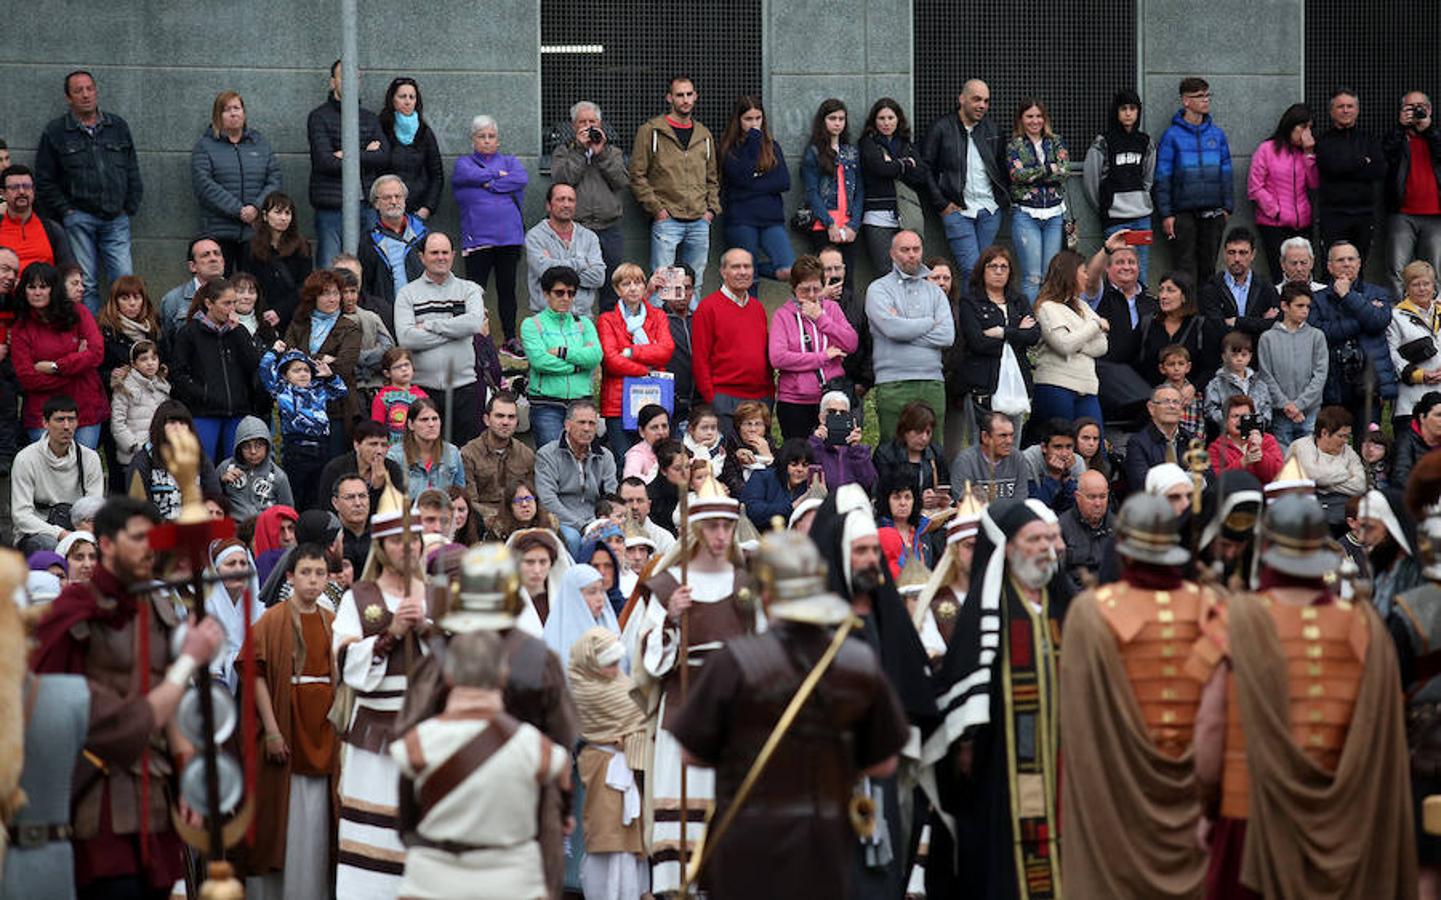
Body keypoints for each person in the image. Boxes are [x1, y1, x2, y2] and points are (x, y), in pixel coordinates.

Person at [1192, 494, 1416, 898]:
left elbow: (1209, 733)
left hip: (1250, 819)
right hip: (1343, 824)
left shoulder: (1235, 620)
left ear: (1266, 548)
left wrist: (1208, 807)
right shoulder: (1364, 628)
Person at [671, 528, 908, 900]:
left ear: (766, 594)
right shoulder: (859, 662)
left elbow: (691, 755)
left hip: (747, 848)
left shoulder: (732, 662)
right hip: (826, 847)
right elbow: (884, 764)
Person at [29, 494, 225, 900]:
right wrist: (188, 663)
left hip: (155, 800)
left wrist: (187, 771)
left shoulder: (156, 607)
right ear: (107, 545)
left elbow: (165, 701)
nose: (148, 548)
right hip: (93, 802)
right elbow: (112, 724)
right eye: (138, 538)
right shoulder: (74, 611)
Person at [391, 542, 579, 898]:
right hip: (526, 824)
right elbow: (564, 740)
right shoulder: (542, 658)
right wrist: (562, 808)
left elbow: (408, 736)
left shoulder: (439, 658)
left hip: (444, 834)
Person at [1058, 493, 1213, 897]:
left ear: (1122, 547)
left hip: (1115, 801)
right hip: (1197, 805)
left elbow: (1077, 727)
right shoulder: (1212, 607)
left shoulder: (1091, 614)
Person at [924, 498, 1065, 898]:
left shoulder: (1061, 603)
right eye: (1032, 539)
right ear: (1008, 548)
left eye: (1046, 540)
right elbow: (964, 688)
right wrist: (967, 742)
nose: (1044, 548)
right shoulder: (990, 607)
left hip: (1060, 759)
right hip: (1001, 763)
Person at [632, 482, 754, 894]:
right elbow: (649, 659)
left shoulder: (746, 585)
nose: (721, 535)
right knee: (682, 812)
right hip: (684, 707)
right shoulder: (670, 584)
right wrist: (670, 616)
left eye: (727, 526)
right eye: (713, 526)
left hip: (734, 715)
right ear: (698, 529)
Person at [331, 493, 427, 897]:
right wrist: (392, 636)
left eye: (414, 540)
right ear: (382, 547)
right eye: (398, 541)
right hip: (374, 735)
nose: (408, 548)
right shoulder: (360, 598)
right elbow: (345, 660)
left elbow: (463, 663)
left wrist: (430, 629)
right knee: (372, 843)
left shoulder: (437, 594)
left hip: (427, 738)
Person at [240, 543, 336, 900]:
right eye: (306, 573)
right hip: (286, 719)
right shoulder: (273, 619)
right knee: (286, 811)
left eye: (320, 573)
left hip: (323, 729)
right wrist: (272, 729)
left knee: (319, 815)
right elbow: (255, 672)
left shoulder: (332, 622)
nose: (313, 581)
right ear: (291, 577)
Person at [34, 70, 142, 313]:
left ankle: (121, 337)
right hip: (79, 218)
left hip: (117, 217)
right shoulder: (56, 131)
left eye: (89, 88)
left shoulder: (117, 126)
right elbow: (44, 179)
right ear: (68, 97)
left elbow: (132, 169)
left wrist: (129, 206)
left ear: (96, 91)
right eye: (78, 90)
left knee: (124, 281)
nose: (85, 95)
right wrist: (66, 211)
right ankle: (92, 338)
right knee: (86, 284)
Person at [567, 626, 651, 900]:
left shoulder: (619, 683)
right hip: (603, 767)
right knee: (608, 839)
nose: (616, 670)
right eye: (609, 665)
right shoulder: (586, 687)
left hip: (622, 766)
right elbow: (638, 715)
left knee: (625, 838)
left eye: (617, 663)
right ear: (592, 664)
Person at [393, 231, 489, 448]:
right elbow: (407, 339)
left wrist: (429, 325)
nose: (441, 257)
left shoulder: (470, 289)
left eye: (445, 252)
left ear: (453, 255)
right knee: (425, 453)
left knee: (464, 456)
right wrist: (456, 330)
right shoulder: (407, 294)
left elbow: (474, 324)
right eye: (434, 252)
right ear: (422, 257)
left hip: (465, 390)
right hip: (424, 391)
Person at [629, 76, 720, 278]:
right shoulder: (651, 131)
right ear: (669, 98)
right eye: (680, 95)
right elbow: (637, 175)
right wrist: (658, 210)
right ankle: (660, 312)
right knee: (663, 282)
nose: (685, 100)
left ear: (696, 96)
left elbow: (712, 177)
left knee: (694, 280)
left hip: (699, 219)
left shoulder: (704, 135)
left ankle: (692, 312)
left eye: (689, 94)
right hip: (667, 218)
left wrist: (711, 210)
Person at [866, 230, 954, 440]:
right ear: (892, 254)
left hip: (932, 382)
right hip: (893, 384)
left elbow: (947, 336)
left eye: (916, 249)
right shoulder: (878, 290)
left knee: (933, 451)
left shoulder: (935, 292)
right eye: (905, 250)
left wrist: (904, 326)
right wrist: (929, 322)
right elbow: (892, 329)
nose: (911, 255)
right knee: (893, 451)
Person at [11, 262, 107, 448]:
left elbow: (96, 353)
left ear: (53, 289)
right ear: (24, 290)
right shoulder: (20, 329)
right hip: (43, 414)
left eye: (43, 286)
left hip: (84, 409)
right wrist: (77, 368)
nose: (37, 292)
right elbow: (28, 378)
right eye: (32, 287)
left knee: (83, 471)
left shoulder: (79, 312)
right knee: (47, 474)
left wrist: (55, 367)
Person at [169, 276, 264, 462]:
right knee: (205, 464)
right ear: (209, 303)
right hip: (205, 413)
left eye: (234, 303)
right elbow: (178, 373)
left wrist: (238, 332)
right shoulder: (189, 333)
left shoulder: (238, 331)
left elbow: (254, 365)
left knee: (236, 466)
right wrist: (203, 394)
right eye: (226, 303)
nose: (232, 309)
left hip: (237, 410)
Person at [923, 79, 1009, 284]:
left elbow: (1002, 168)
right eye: (977, 99)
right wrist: (941, 203)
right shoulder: (942, 128)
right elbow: (925, 168)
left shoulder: (993, 130)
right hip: (957, 210)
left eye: (986, 101)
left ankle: (982, 314)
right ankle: (973, 315)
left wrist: (1001, 203)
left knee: (986, 271)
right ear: (962, 99)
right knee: (971, 270)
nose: (982, 106)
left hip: (989, 210)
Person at [306, 60, 389, 268]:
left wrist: (347, 154)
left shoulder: (370, 119)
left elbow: (384, 156)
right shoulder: (319, 117)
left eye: (356, 77)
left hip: (367, 206)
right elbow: (326, 162)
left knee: (370, 265)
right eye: (344, 76)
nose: (351, 81)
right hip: (331, 207)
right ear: (332, 82)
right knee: (329, 267)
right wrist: (365, 152)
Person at [550, 100, 630, 312]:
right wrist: (579, 152)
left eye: (592, 122)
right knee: (573, 287)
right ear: (574, 126)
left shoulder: (612, 152)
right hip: (577, 230)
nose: (588, 126)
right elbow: (562, 180)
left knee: (611, 288)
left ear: (600, 124)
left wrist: (600, 153)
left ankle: (607, 337)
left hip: (609, 228)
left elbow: (621, 181)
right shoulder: (563, 151)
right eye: (582, 122)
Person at [769, 254, 858, 440]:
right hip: (795, 400)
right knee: (800, 457)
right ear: (793, 288)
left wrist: (821, 319)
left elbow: (851, 343)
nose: (810, 295)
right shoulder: (782, 316)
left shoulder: (831, 309)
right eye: (804, 290)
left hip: (831, 398)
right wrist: (823, 356)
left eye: (816, 289)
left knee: (835, 450)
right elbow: (778, 358)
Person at [1154, 76, 1234, 286]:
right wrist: (1166, 214)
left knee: (1209, 267)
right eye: (1199, 96)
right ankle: (1188, 315)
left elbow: (1226, 172)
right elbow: (1162, 177)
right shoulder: (1171, 136)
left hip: (1213, 211)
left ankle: (1207, 316)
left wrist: (1227, 207)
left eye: (1207, 95)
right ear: (1185, 101)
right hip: (1182, 213)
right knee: (1185, 268)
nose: (1205, 100)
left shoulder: (1217, 135)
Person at [190, 90, 282, 270]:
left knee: (251, 288)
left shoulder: (260, 143)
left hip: (254, 233)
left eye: (237, 108)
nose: (233, 113)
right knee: (219, 288)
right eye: (226, 110)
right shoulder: (205, 146)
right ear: (218, 115)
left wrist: (256, 207)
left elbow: (274, 179)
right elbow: (204, 186)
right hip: (219, 232)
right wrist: (239, 210)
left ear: (244, 113)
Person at [955, 244, 1040, 433]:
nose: (999, 272)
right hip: (984, 385)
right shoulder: (970, 302)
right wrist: (1018, 334)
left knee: (1011, 445)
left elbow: (1034, 335)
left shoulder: (1020, 300)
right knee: (982, 448)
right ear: (982, 270)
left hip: (1016, 383)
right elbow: (978, 342)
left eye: (1004, 267)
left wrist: (1002, 332)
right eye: (993, 266)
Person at [597, 262, 675, 460]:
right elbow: (612, 361)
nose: (633, 288)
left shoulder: (658, 316)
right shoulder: (607, 319)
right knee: (625, 463)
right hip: (618, 402)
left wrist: (631, 352)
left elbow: (665, 351)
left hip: (653, 398)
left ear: (644, 286)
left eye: (638, 282)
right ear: (617, 289)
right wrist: (646, 368)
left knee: (655, 461)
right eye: (626, 284)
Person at [691, 248, 773, 434]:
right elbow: (700, 359)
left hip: (760, 401)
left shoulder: (757, 308)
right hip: (724, 400)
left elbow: (764, 355)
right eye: (736, 267)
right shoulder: (707, 308)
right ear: (723, 272)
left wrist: (770, 395)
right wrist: (712, 398)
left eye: (747, 266)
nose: (743, 272)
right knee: (729, 460)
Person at [521, 264, 603, 449]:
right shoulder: (532, 324)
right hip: (546, 404)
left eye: (571, 293)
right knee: (552, 459)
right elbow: (540, 361)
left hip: (582, 402)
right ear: (546, 293)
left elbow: (595, 356)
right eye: (559, 293)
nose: (566, 298)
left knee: (584, 457)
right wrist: (578, 366)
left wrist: (562, 352)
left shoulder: (584, 324)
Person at [260, 344, 351, 508]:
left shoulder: (320, 389)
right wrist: (275, 351)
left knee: (317, 492)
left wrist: (330, 376)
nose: (302, 374)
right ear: (285, 375)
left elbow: (342, 391)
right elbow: (264, 367)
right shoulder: (282, 389)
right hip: (295, 447)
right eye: (296, 370)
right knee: (296, 492)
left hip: (321, 446)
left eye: (306, 370)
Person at [282, 268, 362, 450]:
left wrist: (304, 361)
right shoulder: (299, 323)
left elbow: (343, 367)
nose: (333, 299)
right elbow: (288, 359)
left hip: (336, 409)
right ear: (313, 297)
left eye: (335, 293)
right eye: (325, 294)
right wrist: (321, 358)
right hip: (299, 407)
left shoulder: (350, 328)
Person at [1312, 240, 1397, 413]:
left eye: (1351, 259)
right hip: (1332, 383)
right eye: (1340, 260)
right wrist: (1363, 319)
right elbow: (1320, 333)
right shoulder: (1316, 299)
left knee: (1368, 440)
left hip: (1370, 382)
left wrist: (1348, 296)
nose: (1346, 264)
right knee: (1331, 439)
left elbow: (1378, 322)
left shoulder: (1377, 293)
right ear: (1329, 266)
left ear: (1359, 263)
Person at [11, 395, 103, 554]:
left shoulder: (89, 458)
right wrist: (60, 534)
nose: (67, 426)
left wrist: (80, 534)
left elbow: (94, 509)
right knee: (50, 546)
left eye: (71, 419)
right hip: (38, 531)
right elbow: (21, 516)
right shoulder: (25, 459)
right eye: (60, 420)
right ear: (45, 423)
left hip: (79, 529)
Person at [1030, 247, 1111, 426]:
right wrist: (1095, 325)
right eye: (1083, 271)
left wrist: (1078, 344)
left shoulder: (1083, 306)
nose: (1087, 276)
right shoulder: (1046, 307)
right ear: (1070, 274)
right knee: (1060, 446)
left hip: (1088, 388)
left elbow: (1102, 345)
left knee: (1094, 449)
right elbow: (1064, 345)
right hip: (1056, 386)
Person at [719, 95, 794, 287]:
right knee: (747, 279)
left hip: (771, 219)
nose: (754, 124)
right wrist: (752, 143)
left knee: (789, 269)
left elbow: (783, 182)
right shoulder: (729, 148)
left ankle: (754, 270)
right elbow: (742, 176)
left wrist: (750, 185)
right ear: (738, 120)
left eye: (758, 118)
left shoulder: (772, 146)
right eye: (748, 119)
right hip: (741, 220)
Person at [1083, 89, 1156, 284]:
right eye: (1123, 108)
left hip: (1141, 217)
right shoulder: (1103, 141)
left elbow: (1149, 177)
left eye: (1133, 108)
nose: (1128, 113)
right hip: (1115, 220)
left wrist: (1142, 198)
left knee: (1140, 274)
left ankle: (1141, 314)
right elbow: (1091, 180)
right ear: (1116, 111)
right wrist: (1104, 206)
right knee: (1117, 274)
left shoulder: (1145, 142)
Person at [1006, 97, 1070, 302]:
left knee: (1050, 276)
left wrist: (1034, 174)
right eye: (1029, 116)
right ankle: (1032, 326)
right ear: (1021, 119)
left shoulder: (1056, 141)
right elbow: (1016, 175)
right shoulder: (1014, 145)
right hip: (1026, 214)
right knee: (1032, 277)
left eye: (1039, 116)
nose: (1035, 121)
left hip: (1054, 214)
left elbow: (1065, 171)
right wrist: (1048, 169)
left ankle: (1048, 325)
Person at [855, 97, 928, 274]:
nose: (886, 123)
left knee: (910, 268)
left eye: (890, 118)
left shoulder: (906, 144)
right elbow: (880, 169)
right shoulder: (868, 143)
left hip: (906, 212)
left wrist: (894, 165)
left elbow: (921, 174)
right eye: (881, 118)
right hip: (877, 214)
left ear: (898, 120)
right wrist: (904, 165)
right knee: (884, 270)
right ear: (874, 121)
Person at [1246, 104, 1319, 278]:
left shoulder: (1305, 153)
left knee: (1304, 273)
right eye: (1302, 127)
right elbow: (1255, 187)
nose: (1306, 133)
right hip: (1274, 224)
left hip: (1302, 223)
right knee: (1280, 272)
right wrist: (1275, 211)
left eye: (1310, 128)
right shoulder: (1267, 149)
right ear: (1290, 125)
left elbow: (1314, 183)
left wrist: (1309, 154)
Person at [534, 400, 616, 554]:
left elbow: (610, 495)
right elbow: (547, 499)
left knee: (613, 536)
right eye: (582, 422)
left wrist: (602, 521)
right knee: (572, 538)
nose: (587, 428)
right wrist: (581, 526)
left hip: (595, 518)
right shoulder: (547, 454)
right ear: (567, 425)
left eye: (592, 423)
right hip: (561, 519)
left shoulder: (605, 456)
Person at [1315, 88, 1385, 263]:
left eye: (1350, 106)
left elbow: (1379, 170)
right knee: (1331, 266)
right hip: (1333, 214)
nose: (1345, 110)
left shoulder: (1369, 138)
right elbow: (1331, 167)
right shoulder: (1323, 140)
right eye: (1340, 106)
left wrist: (1346, 165)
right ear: (1331, 112)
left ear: (1357, 110)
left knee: (1358, 266)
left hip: (1363, 213)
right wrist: (1362, 162)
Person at [124, 400, 224, 521]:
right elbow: (139, 506)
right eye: (171, 422)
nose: (178, 428)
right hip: (158, 530)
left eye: (182, 423)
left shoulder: (200, 458)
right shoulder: (142, 461)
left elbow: (214, 499)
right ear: (160, 425)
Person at [1258, 281, 1329, 449]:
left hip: (1310, 412)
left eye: (1307, 306)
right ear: (1284, 306)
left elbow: (1320, 375)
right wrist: (1286, 405)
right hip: (1280, 412)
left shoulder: (1316, 336)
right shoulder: (1268, 338)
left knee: (1309, 462)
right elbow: (1266, 375)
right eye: (1299, 306)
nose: (1305, 311)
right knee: (1284, 464)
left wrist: (1299, 405)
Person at [1384, 89, 1441, 296]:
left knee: (1434, 270)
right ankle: (1399, 317)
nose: (1417, 112)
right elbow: (1386, 156)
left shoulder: (1436, 135)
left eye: (1421, 107)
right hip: (1402, 213)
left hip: (1435, 215)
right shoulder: (1396, 136)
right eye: (1411, 108)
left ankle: (1436, 317)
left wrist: (1429, 130)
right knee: (1397, 269)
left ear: (1430, 110)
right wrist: (1401, 128)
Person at [800, 98, 863, 280]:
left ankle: (845, 310)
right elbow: (812, 192)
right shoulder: (814, 152)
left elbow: (859, 191)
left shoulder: (851, 151)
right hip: (824, 225)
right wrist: (829, 224)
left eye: (841, 119)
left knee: (847, 277)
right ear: (823, 121)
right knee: (824, 278)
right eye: (832, 118)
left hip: (849, 224)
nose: (837, 123)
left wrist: (854, 225)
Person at [356, 173, 427, 331]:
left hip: (424, 315)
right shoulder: (368, 242)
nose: (394, 202)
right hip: (387, 317)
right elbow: (366, 286)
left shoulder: (424, 235)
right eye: (387, 197)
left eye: (398, 196)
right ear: (376, 204)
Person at [1138, 271, 1225, 398]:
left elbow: (1212, 367)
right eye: (1161, 290)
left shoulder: (1201, 326)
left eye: (1170, 290)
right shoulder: (1148, 324)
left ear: (1184, 296)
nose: (1163, 296)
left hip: (1188, 402)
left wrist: (1193, 387)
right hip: (1153, 402)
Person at [460, 390, 536, 521]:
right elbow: (469, 501)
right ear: (487, 420)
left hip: (519, 517)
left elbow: (532, 496)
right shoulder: (468, 454)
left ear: (517, 422)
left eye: (511, 417)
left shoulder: (526, 454)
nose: (506, 422)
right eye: (500, 416)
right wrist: (499, 517)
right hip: (482, 521)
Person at [378, 76, 444, 220]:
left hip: (416, 211)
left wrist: (427, 208)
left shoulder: (424, 132)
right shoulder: (381, 128)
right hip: (385, 211)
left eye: (412, 97)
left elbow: (436, 175)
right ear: (392, 100)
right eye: (402, 96)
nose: (408, 101)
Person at [1387, 258, 1441, 431]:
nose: (1422, 288)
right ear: (1406, 288)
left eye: (1426, 283)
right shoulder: (1395, 316)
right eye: (1416, 284)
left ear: (1434, 286)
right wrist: (1418, 374)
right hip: (1410, 402)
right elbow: (1391, 354)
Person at [1199, 226, 1280, 338]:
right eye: (1231, 252)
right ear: (1224, 254)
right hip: (1223, 352)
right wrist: (1258, 322)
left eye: (1243, 253)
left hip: (1258, 352)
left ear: (1253, 255)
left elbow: (1275, 325)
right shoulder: (1212, 288)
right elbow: (1217, 328)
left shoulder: (1265, 287)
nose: (1237, 258)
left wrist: (1237, 322)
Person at [316, 418, 407, 514]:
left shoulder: (392, 469)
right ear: (356, 445)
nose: (379, 451)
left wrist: (379, 489)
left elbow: (395, 510)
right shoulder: (335, 469)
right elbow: (326, 508)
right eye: (373, 444)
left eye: (384, 445)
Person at [216, 414, 294, 522]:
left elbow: (288, 511)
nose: (253, 451)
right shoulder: (225, 468)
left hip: (265, 529)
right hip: (234, 530)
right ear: (238, 448)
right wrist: (220, 482)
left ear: (267, 445)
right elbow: (210, 502)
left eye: (258, 445)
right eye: (247, 446)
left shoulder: (278, 476)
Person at [387, 395, 464, 499]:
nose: (431, 424)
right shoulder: (394, 456)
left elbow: (460, 495)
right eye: (424, 420)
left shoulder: (452, 453)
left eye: (435, 419)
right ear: (411, 424)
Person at [1124, 384, 1197, 491]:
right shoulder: (1137, 443)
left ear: (1182, 409)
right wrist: (1187, 479)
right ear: (1151, 408)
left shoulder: (1190, 440)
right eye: (1166, 402)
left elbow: (1207, 477)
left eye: (1176, 402)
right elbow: (1142, 483)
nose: (1171, 406)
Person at [0, 164, 71, 272]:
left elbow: (69, 272)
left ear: (34, 190)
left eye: (27, 186)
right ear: (3, 193)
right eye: (14, 187)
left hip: (46, 287)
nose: (22, 192)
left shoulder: (52, 229)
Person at [1205, 330, 1274, 432]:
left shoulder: (1259, 384)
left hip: (1256, 435)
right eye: (1234, 355)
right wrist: (1229, 422)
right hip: (1228, 436)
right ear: (1224, 357)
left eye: (1244, 355)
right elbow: (1210, 410)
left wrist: (1257, 424)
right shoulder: (1216, 384)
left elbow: (1267, 409)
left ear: (1250, 356)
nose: (1239, 359)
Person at [807, 389, 875, 493]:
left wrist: (856, 448)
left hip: (851, 505)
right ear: (821, 418)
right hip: (822, 505)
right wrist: (816, 441)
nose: (837, 416)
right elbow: (806, 476)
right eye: (831, 412)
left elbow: (869, 482)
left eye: (843, 413)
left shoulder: (857, 451)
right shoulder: (812, 445)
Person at [1210, 394, 1284, 483]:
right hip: (1233, 495)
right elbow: (1216, 481)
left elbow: (1278, 475)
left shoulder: (1267, 440)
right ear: (1225, 421)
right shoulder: (1216, 448)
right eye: (1235, 416)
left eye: (1245, 416)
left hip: (1264, 494)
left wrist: (1260, 453)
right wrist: (1243, 462)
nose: (1240, 421)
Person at [1026, 417, 1079, 512]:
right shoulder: (1028, 459)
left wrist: (1066, 477)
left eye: (1069, 447)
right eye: (1058, 447)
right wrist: (1054, 476)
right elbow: (1032, 510)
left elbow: (1077, 508)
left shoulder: (1077, 462)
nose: (1064, 454)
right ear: (1044, 447)